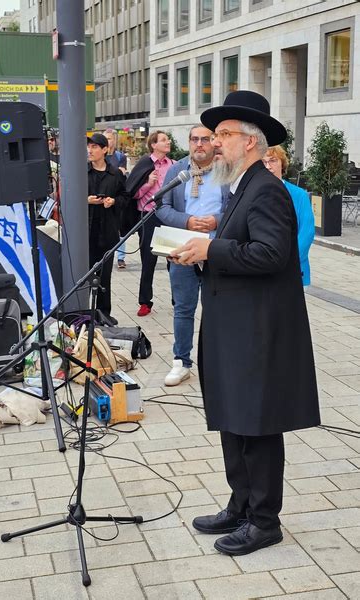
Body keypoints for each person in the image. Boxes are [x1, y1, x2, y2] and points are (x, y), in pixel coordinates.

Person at [171, 90, 320, 556]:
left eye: (224, 134)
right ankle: (240, 504)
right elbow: (240, 249)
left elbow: (273, 255)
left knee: (255, 425)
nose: (215, 143)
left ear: (250, 142)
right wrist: (201, 253)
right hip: (233, 326)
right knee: (232, 420)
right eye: (216, 135)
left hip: (257, 332)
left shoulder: (267, 189)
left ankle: (264, 520)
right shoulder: (240, 186)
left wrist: (211, 249)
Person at [157, 125, 228, 386]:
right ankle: (181, 362)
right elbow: (161, 207)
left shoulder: (226, 169)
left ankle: (217, 361)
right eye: (194, 139)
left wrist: (215, 221)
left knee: (216, 310)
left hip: (215, 251)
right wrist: (187, 221)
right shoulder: (178, 171)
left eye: (205, 139)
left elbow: (238, 208)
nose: (199, 144)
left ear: (214, 143)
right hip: (183, 251)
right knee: (183, 309)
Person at [125, 130, 174, 316]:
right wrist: (147, 183)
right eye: (163, 139)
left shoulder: (173, 165)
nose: (167, 141)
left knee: (174, 259)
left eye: (167, 139)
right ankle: (145, 302)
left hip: (169, 215)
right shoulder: (145, 164)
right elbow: (133, 194)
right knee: (148, 261)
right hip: (148, 216)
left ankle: (177, 299)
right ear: (153, 145)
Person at [87, 133, 127, 325]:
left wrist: (113, 201)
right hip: (86, 232)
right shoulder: (82, 172)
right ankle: (85, 314)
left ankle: (104, 314)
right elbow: (70, 199)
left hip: (108, 231)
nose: (90, 150)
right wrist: (86, 200)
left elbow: (125, 197)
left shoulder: (116, 174)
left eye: (95, 147)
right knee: (84, 276)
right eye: (89, 147)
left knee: (105, 277)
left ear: (105, 150)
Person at [263, 145, 315, 286]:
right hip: (261, 270)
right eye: (263, 162)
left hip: (293, 268)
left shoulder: (299, 195)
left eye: (273, 160)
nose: (268, 166)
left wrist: (288, 261)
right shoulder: (252, 193)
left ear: (282, 164)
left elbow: (307, 231)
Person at [103, 128, 129, 269]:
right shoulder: (101, 156)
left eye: (110, 138)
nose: (108, 141)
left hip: (116, 195)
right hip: (102, 196)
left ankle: (120, 257)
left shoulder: (120, 157)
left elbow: (122, 173)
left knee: (120, 227)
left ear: (114, 140)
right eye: (106, 138)